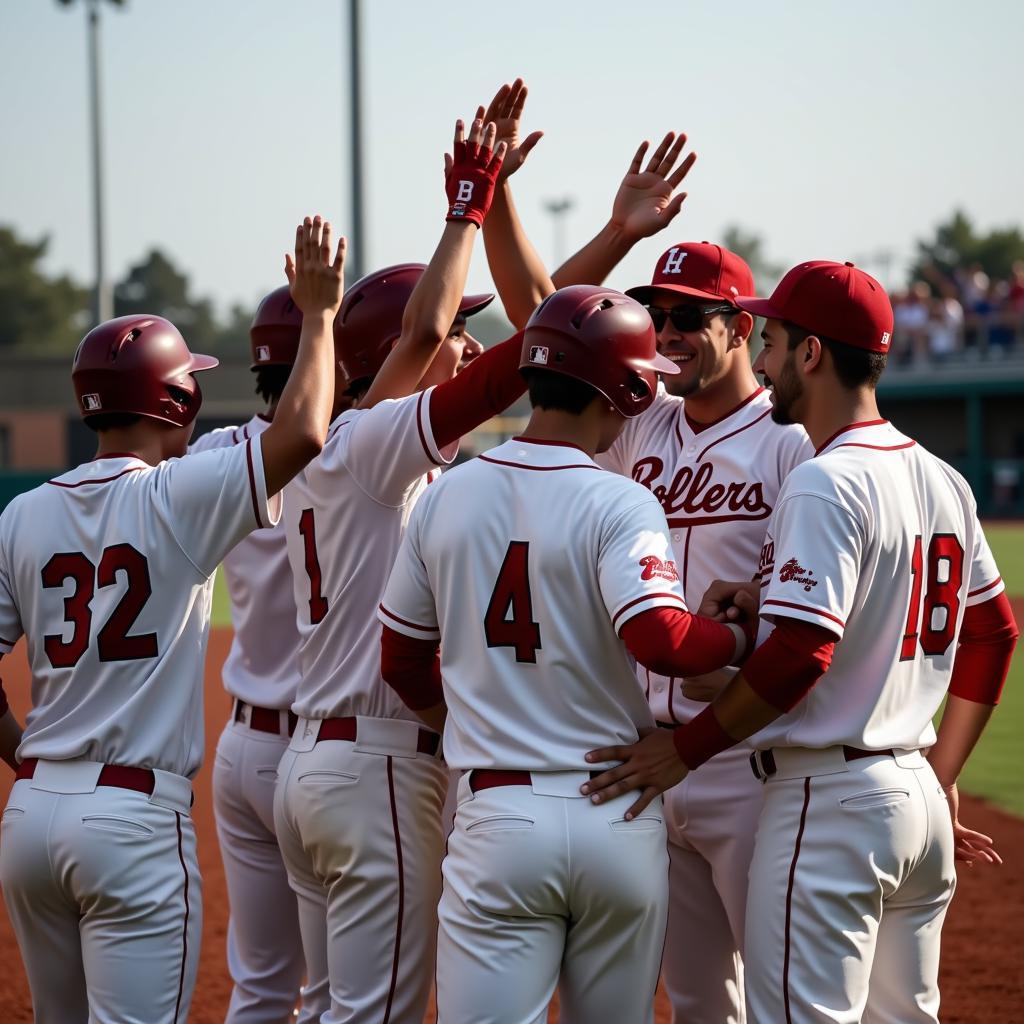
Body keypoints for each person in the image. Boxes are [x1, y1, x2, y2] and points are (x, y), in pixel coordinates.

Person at [583, 260, 1019, 1023]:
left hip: (827, 795)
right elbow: (994, 634)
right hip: (911, 783)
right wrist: (938, 773)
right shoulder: (942, 475)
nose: (763, 360)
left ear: (812, 355)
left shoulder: (825, 477)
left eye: (775, 341)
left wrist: (685, 750)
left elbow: (802, 655)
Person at [479, 79, 812, 1021]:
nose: (665, 335)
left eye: (689, 319)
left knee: (785, 996)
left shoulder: (791, 444)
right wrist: (498, 190)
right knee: (698, 1000)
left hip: (748, 752)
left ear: (742, 328)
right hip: (640, 758)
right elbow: (546, 319)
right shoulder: (637, 425)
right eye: (657, 318)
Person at [0, 217, 347, 1024]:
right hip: (130, 818)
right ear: (176, 401)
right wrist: (323, 317)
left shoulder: (21, 516)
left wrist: (22, 751)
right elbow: (301, 433)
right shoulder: (175, 495)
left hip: (30, 815)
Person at [378, 284, 754, 1024]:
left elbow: (400, 658)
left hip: (499, 812)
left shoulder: (445, 495)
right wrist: (740, 636)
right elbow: (664, 641)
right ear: (630, 386)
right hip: (616, 807)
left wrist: (471, 719)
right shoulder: (619, 500)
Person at [271, 112, 546, 1023]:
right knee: (373, 1013)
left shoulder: (348, 444)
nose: (466, 340)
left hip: (315, 764)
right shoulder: (380, 448)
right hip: (378, 765)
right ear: (396, 356)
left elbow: (453, 343)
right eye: (458, 332)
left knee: (325, 1007)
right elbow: (486, 348)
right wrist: (468, 208)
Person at [188, 285, 334, 1022]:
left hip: (242, 745)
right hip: (321, 752)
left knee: (262, 985)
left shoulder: (215, 453)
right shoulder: (352, 453)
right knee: (337, 991)